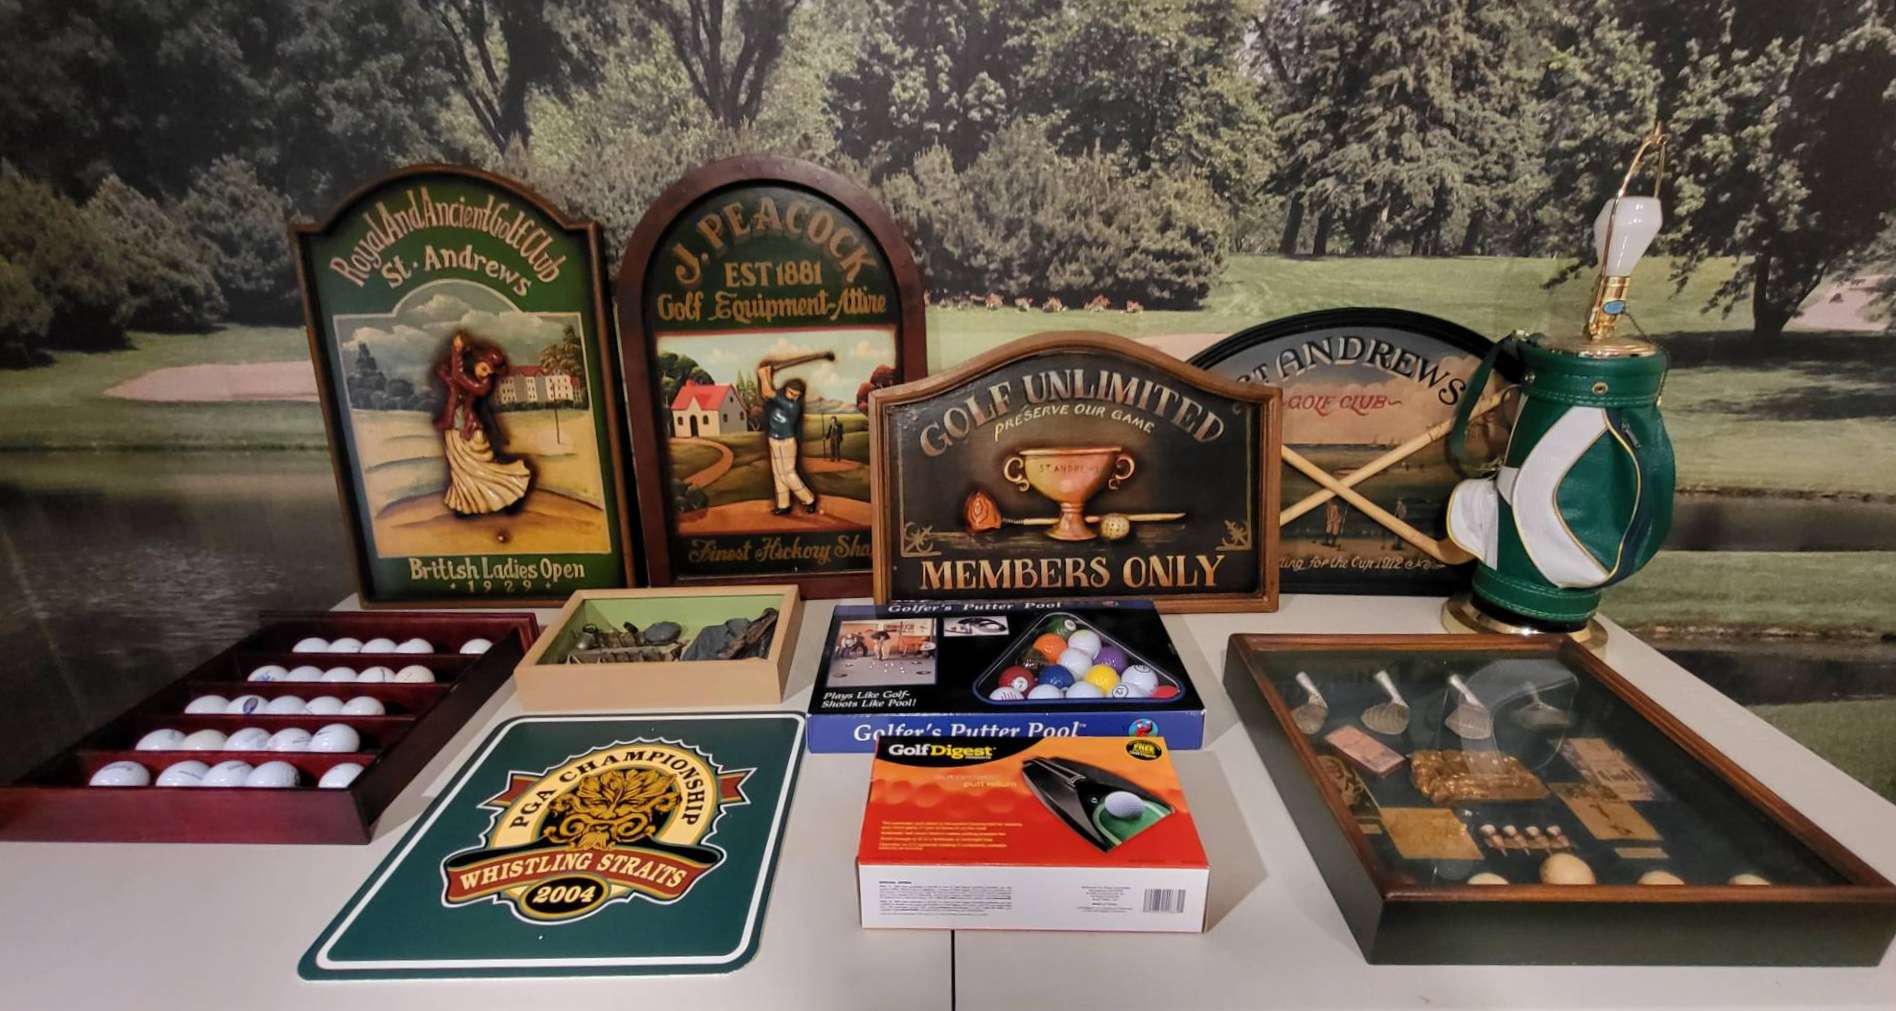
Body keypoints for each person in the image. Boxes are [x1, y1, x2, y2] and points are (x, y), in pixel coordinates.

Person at [433, 332, 530, 516]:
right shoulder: (465, 375)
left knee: (478, 469)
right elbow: (444, 371)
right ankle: (468, 503)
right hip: (453, 427)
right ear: (477, 361)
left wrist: (456, 351)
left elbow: (457, 376)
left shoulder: (483, 385)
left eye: (489, 372)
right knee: (460, 470)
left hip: (468, 429)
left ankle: (509, 490)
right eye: (484, 368)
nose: (485, 374)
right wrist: (461, 354)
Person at [758, 353, 831, 515]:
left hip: (786, 441)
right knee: (778, 474)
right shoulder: (781, 397)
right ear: (786, 390)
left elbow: (767, 392)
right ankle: (783, 505)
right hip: (774, 439)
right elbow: (767, 393)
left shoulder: (791, 405)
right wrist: (767, 373)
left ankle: (809, 499)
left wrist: (763, 374)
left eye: (797, 395)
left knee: (788, 473)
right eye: (791, 393)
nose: (794, 397)